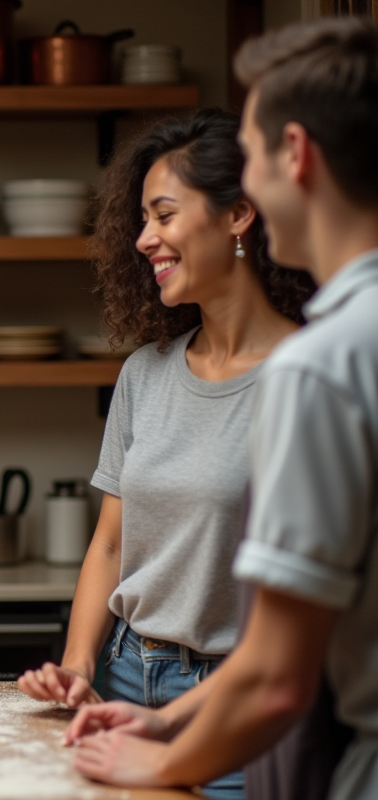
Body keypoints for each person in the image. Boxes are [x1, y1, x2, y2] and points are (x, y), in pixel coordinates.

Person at [65, 17, 378, 800]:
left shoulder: (320, 366)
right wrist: (142, 707)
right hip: (151, 685)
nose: (144, 239)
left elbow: (274, 670)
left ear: (293, 157)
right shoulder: (348, 342)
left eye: (256, 147)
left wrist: (167, 756)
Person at [15, 108, 315, 799]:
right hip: (123, 679)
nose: (145, 239)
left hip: (238, 703)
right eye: (143, 220)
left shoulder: (309, 379)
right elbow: (111, 546)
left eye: (165, 215)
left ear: (239, 215)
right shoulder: (145, 374)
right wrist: (79, 667)